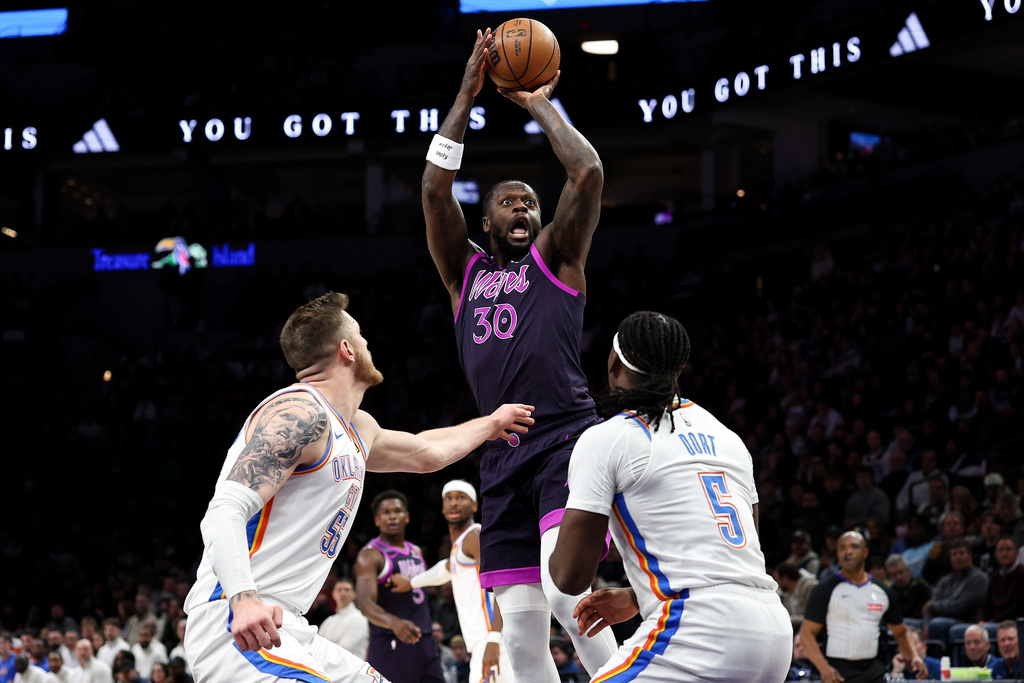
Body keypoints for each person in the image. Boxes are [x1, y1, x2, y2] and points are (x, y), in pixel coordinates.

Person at [182, 292, 534, 683]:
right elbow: (225, 509)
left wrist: (493, 423)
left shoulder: (356, 428)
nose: (369, 344)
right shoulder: (300, 414)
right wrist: (243, 598)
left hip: (287, 626)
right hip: (238, 621)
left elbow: (427, 451)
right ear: (347, 349)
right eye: (362, 336)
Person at [421, 27, 616, 681]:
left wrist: (536, 102)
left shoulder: (557, 258)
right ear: (487, 220)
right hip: (500, 455)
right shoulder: (463, 274)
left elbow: (587, 171)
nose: (523, 209)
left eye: (530, 201)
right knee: (523, 623)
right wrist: (465, 95)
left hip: (564, 438)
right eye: (509, 201)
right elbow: (432, 191)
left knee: (567, 594)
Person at [549, 311, 793, 682]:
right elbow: (739, 556)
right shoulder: (727, 436)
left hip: (701, 629)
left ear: (613, 361)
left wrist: (548, 522)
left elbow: (568, 576)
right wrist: (636, 596)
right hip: (772, 628)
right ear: (679, 369)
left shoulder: (609, 437)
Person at [391, 480, 515, 683]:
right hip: (483, 641)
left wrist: (494, 638)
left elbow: (501, 583)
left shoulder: (475, 536)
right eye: (448, 498)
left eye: (461, 498)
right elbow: (446, 569)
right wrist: (411, 583)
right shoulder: (460, 545)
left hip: (492, 638)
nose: (454, 503)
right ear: (442, 507)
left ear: (474, 505)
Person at [799, 531, 926, 683]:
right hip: (839, 672)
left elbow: (900, 632)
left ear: (865, 552)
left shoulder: (883, 591)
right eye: (842, 548)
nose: (848, 552)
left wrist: (914, 656)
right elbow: (806, 635)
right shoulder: (824, 589)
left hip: (873, 669)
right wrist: (823, 667)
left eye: (854, 547)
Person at [354, 491, 445, 683]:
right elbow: (364, 603)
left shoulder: (416, 551)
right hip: (391, 640)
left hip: (425, 640)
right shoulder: (370, 555)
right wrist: (394, 622)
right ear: (377, 520)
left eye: (397, 511)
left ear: (407, 517)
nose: (393, 516)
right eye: (386, 513)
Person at [920, 537, 989, 644]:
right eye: (954, 554)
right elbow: (929, 609)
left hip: (967, 621)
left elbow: (960, 607)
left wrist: (933, 605)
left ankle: (939, 659)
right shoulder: (946, 580)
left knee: (938, 624)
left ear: (970, 556)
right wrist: (926, 625)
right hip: (941, 620)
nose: (958, 557)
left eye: (961, 553)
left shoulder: (979, 579)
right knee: (907, 623)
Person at [317, 578, 370, 659]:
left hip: (351, 669)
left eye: (347, 590)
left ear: (354, 594)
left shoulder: (359, 619)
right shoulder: (329, 621)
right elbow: (317, 646)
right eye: (339, 590)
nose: (343, 593)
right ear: (333, 594)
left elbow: (343, 649)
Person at [884, 554, 932, 620]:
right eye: (894, 575)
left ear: (908, 570)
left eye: (900, 572)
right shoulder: (890, 592)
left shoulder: (922, 587)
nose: (898, 577)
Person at [775, 563, 819, 632]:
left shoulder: (810, 587)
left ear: (785, 578)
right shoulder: (785, 594)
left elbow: (810, 616)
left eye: (777, 580)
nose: (777, 583)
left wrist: (784, 619)